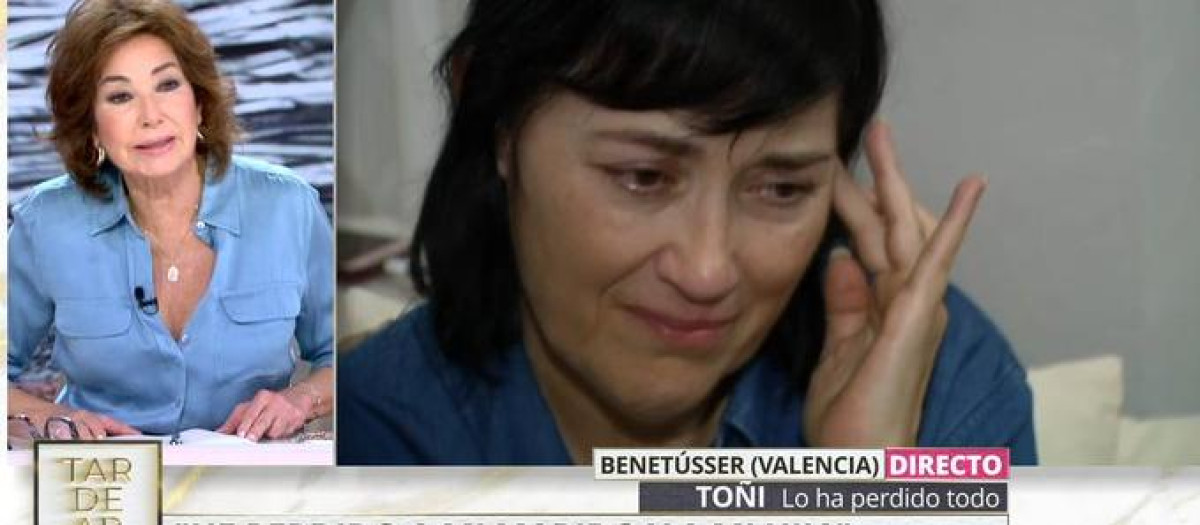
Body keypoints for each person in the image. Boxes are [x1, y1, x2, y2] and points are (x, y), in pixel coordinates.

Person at [337, 0, 1036, 464]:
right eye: (643, 176)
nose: (707, 271)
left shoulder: (938, 378)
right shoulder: (376, 436)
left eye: (782, 188)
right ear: (498, 121)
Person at [7, 0, 334, 442]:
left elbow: (344, 355)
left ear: (198, 104)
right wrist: (45, 416)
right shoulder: (44, 223)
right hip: (107, 484)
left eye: (167, 85)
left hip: (249, 481)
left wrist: (300, 399)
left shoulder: (288, 206)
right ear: (92, 126)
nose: (151, 116)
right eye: (120, 96)